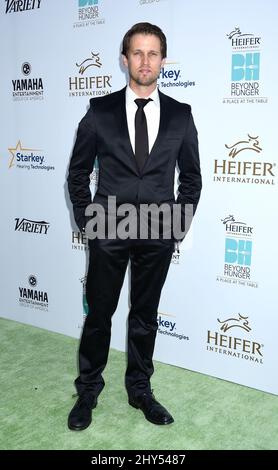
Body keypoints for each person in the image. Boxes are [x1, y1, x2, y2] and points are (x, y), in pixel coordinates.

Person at [67, 22, 202, 431]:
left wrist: (176, 225)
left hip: (158, 231)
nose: (145, 61)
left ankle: (140, 390)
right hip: (108, 228)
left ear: (163, 60)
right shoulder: (100, 110)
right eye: (137, 53)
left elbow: (192, 179)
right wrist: (89, 222)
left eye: (153, 53)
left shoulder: (181, 115)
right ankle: (88, 391)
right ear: (125, 60)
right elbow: (77, 175)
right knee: (100, 315)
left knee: (144, 317)